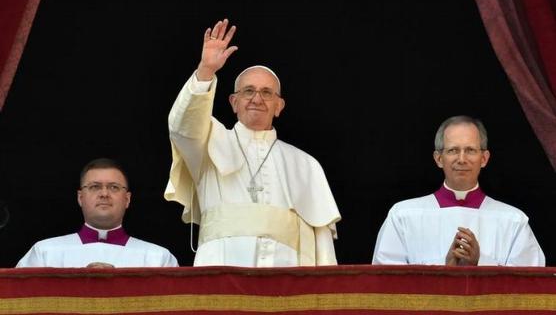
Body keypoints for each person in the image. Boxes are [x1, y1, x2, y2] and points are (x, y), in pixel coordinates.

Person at [164, 19, 341, 267]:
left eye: (267, 92)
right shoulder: (207, 143)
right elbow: (182, 125)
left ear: (279, 106)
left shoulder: (305, 164)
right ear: (233, 102)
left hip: (287, 284)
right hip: (221, 277)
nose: (257, 98)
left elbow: (323, 245)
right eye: (248, 91)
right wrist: (206, 71)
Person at [372, 115, 545, 266]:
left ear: (484, 158)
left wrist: (480, 262)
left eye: (470, 150)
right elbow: (386, 282)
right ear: (439, 158)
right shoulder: (403, 215)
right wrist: (444, 268)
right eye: (453, 150)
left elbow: (528, 286)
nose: (461, 159)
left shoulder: (513, 220)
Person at [17, 158, 179, 268]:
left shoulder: (158, 259)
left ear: (127, 199)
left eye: (114, 187)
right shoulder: (44, 253)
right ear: (80, 197)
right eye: (95, 186)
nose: (104, 194)